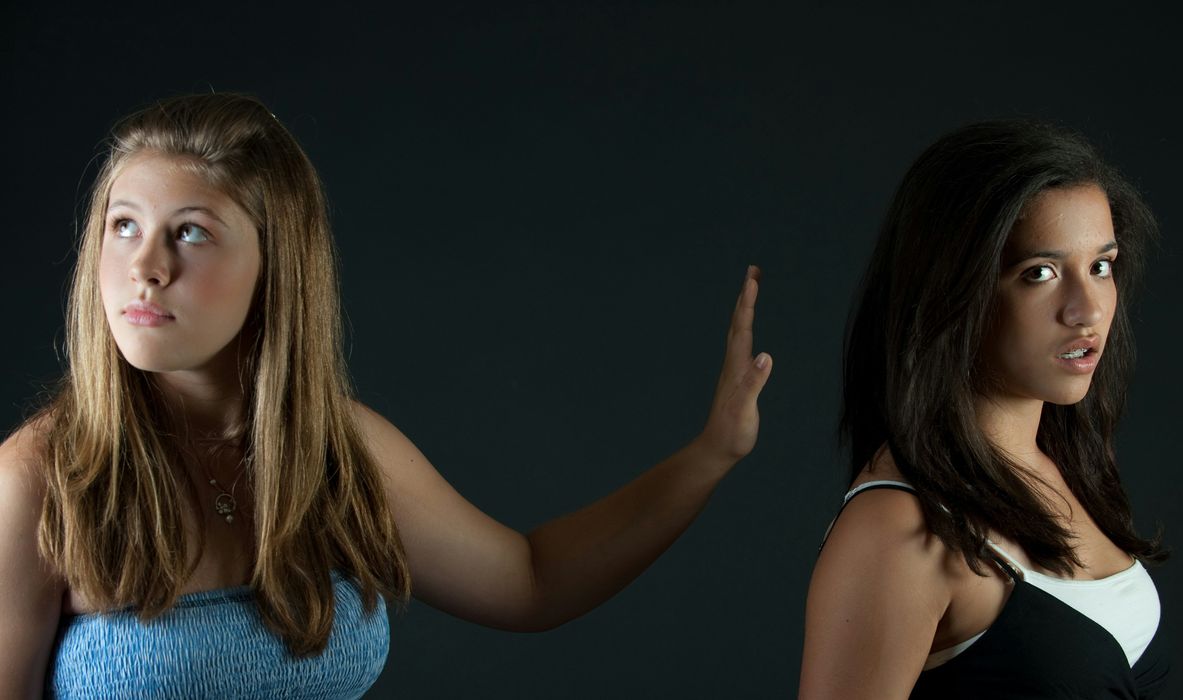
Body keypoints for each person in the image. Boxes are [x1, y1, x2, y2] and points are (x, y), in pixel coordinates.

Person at [0, 93, 773, 698]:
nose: (145, 266)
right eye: (123, 226)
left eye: (190, 232)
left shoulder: (339, 453)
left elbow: (531, 581)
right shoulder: (36, 483)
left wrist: (709, 456)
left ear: (277, 263)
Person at [799, 120, 1168, 698]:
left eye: (1101, 265)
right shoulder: (899, 529)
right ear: (952, 289)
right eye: (1039, 274)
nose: (1088, 310)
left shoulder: (1060, 465)